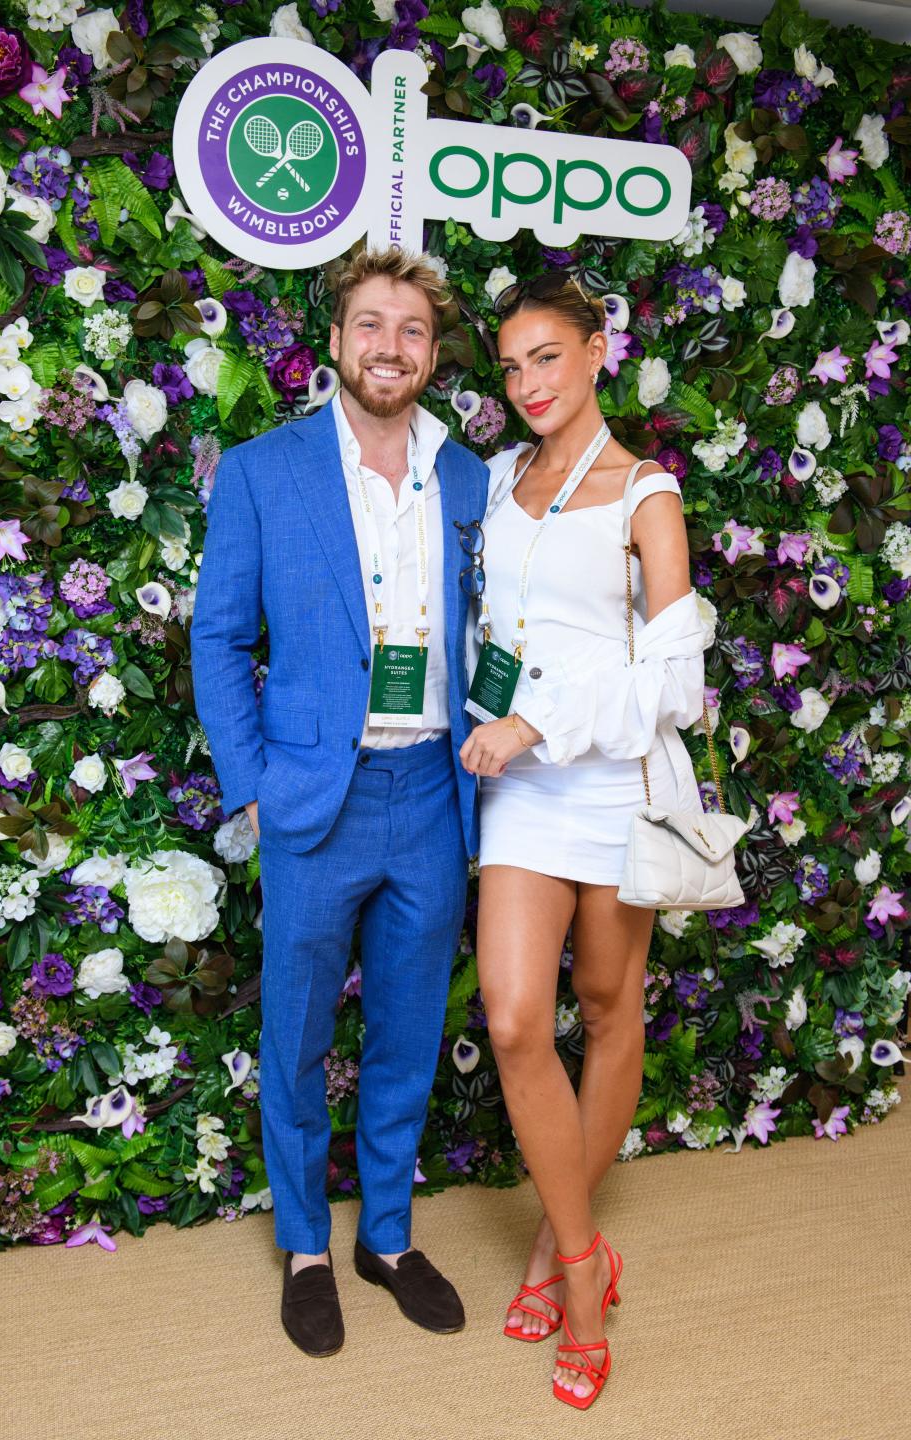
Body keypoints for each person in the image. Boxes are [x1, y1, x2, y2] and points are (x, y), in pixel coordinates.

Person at [191, 248, 489, 1357]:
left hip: (430, 795)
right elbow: (218, 637)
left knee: (411, 1033)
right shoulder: (268, 472)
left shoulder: (468, 480)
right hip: (315, 798)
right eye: (373, 326)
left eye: (412, 332)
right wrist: (253, 783)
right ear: (336, 340)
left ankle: (391, 1239)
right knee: (299, 1035)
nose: (391, 349)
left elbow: (491, 633)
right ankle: (309, 1249)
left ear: (431, 354)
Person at [459, 273, 707, 1408]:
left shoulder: (647, 494)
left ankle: (558, 1241)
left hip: (609, 783)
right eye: (511, 368)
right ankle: (582, 1267)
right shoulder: (504, 477)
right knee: (516, 1018)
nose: (527, 386)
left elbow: (677, 684)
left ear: (599, 352)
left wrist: (539, 722)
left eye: (547, 358)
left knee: (608, 1010)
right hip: (521, 787)